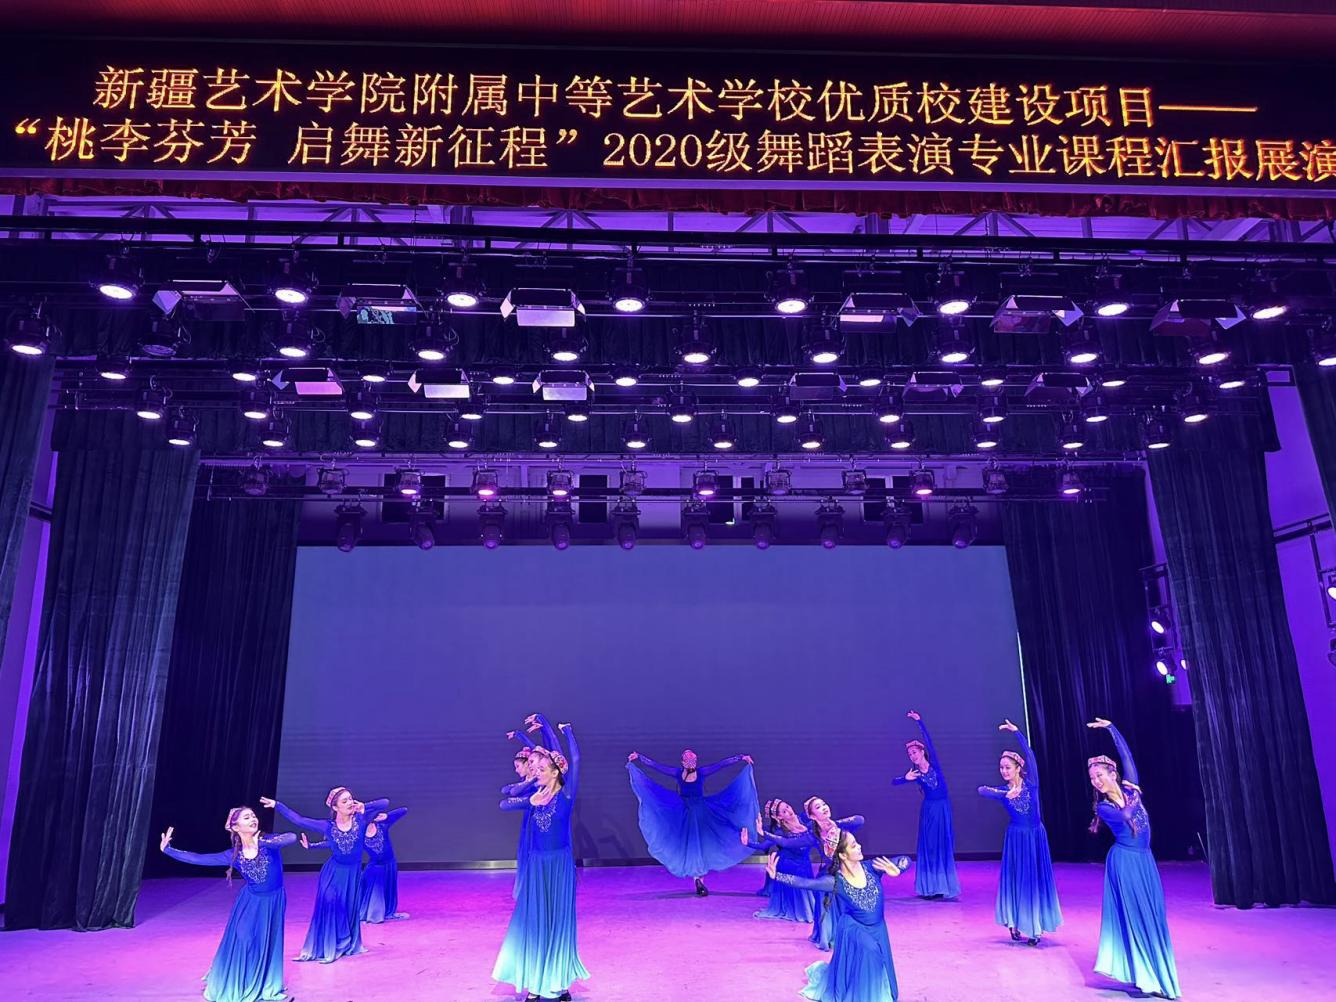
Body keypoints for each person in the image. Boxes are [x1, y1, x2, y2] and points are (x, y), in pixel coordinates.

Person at [492, 716, 590, 1002]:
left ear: (555, 772)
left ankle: (559, 982)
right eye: (536, 770)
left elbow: (576, 758)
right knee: (536, 921)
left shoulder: (567, 795)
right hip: (537, 865)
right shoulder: (535, 797)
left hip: (559, 866)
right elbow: (503, 803)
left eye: (542, 769)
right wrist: (528, 790)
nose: (538, 773)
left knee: (558, 922)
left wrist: (565, 731)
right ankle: (535, 982)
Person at [158, 808, 296, 1002]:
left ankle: (263, 983)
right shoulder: (233, 855)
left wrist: (262, 841)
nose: (253, 819)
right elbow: (199, 859)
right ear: (236, 827)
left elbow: (291, 837)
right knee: (244, 938)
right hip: (250, 902)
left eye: (253, 816)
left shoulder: (269, 842)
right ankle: (236, 983)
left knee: (266, 942)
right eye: (247, 817)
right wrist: (168, 850)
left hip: (273, 901)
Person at [1087, 718, 1181, 999]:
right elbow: (1126, 814)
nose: (1096, 781)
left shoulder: (1130, 788)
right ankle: (1146, 977)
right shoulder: (1103, 808)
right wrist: (1135, 797)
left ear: (1113, 773)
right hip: (1124, 863)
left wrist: (1111, 728)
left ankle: (1154, 972)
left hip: (1144, 861)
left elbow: (1126, 756)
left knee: (1151, 915)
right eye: (1092, 778)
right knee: (1135, 917)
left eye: (1099, 775)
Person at [767, 831, 911, 1002]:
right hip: (855, 929)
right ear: (843, 855)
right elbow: (806, 883)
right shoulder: (836, 882)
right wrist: (777, 876)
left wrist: (899, 869)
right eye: (854, 845)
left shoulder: (872, 867)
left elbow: (904, 860)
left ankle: (872, 990)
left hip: (879, 928)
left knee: (878, 961)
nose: (859, 847)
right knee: (871, 952)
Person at [260, 788, 388, 963]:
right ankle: (327, 947)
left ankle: (343, 944)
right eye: (344, 801)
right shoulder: (328, 826)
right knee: (329, 902)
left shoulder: (362, 819)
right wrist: (277, 805)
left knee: (346, 908)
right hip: (333, 872)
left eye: (350, 799)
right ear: (335, 807)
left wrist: (363, 806)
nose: (350, 802)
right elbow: (299, 820)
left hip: (352, 874)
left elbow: (384, 803)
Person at [627, 747, 758, 896]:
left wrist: (639, 757)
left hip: (693, 813)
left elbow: (656, 766)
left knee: (696, 845)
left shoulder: (687, 773)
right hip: (694, 813)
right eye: (688, 757)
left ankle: (698, 879)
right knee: (698, 845)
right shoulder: (690, 773)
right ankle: (699, 880)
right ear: (688, 761)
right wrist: (740, 757)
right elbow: (721, 764)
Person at [977, 720, 1062, 945]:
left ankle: (1034, 928)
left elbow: (1031, 756)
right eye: (1001, 768)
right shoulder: (1003, 790)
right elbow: (982, 790)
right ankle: (1014, 922)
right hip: (1015, 838)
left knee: (1032, 881)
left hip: (1034, 837)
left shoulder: (1031, 784)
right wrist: (1004, 794)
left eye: (1008, 767)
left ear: (1018, 768)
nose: (1004, 771)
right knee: (1016, 879)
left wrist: (1017, 733)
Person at [891, 710, 960, 900]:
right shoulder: (916, 774)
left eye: (914, 752)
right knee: (929, 846)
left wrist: (919, 722)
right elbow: (893, 782)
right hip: (929, 811)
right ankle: (929, 887)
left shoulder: (934, 765)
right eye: (909, 754)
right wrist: (904, 779)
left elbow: (929, 742)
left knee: (942, 845)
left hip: (942, 809)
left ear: (922, 752)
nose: (912, 756)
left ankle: (943, 885)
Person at [741, 799, 818, 923]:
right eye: (784, 811)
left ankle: (810, 910)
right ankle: (801, 912)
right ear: (779, 817)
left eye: (787, 806)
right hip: (789, 866)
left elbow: (813, 814)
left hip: (804, 865)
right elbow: (764, 846)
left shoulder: (803, 819)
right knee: (797, 892)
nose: (789, 810)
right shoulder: (781, 832)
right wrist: (748, 843)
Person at [804, 798, 866, 951]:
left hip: (845, 872)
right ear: (812, 816)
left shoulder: (841, 828)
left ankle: (849, 935)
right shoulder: (813, 835)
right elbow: (788, 842)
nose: (824, 807)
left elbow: (860, 819)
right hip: (828, 874)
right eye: (818, 807)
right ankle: (829, 937)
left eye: (824, 804)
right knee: (825, 898)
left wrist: (834, 825)